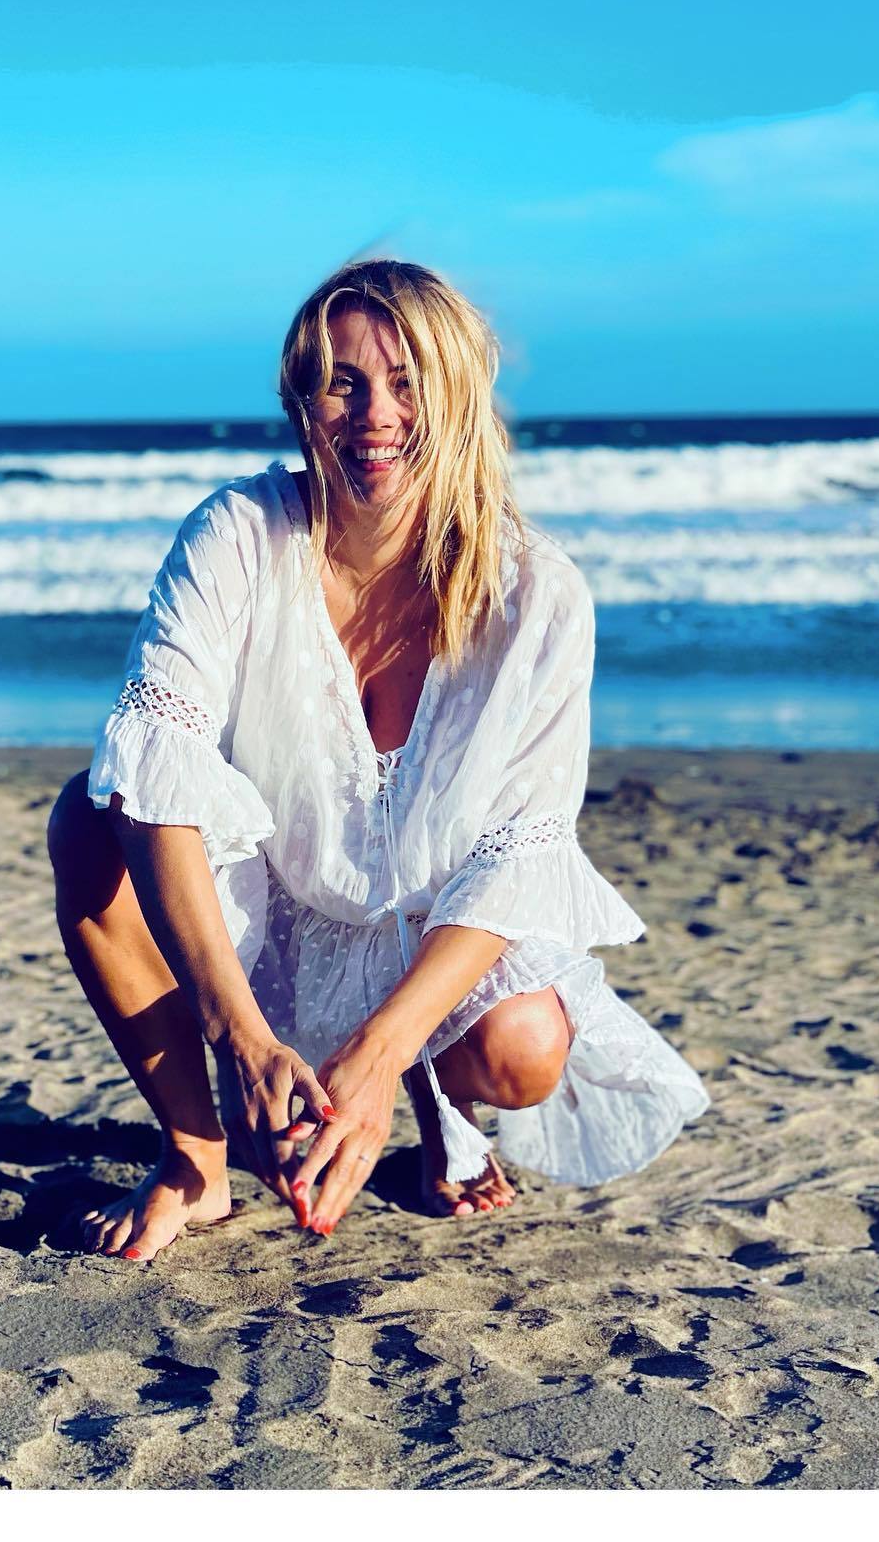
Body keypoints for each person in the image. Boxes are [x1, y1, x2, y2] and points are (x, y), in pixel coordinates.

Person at [47, 260, 708, 1261]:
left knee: (525, 1052)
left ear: (460, 398)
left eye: (408, 383)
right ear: (298, 401)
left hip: (434, 926)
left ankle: (444, 1101)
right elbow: (156, 750)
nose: (376, 416)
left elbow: (521, 853)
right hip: (271, 904)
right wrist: (241, 1037)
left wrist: (381, 1056)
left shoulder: (538, 595)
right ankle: (196, 1160)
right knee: (89, 821)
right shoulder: (238, 535)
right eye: (342, 384)